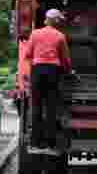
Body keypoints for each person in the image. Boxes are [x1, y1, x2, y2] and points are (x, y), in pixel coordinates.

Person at [24, 9, 76, 153]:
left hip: (37, 71)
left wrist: (35, 63)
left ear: (46, 20)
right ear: (57, 21)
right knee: (51, 108)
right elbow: (65, 60)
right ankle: (50, 144)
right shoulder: (60, 36)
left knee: (37, 107)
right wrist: (69, 71)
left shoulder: (35, 34)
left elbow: (28, 54)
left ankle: (35, 143)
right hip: (53, 71)